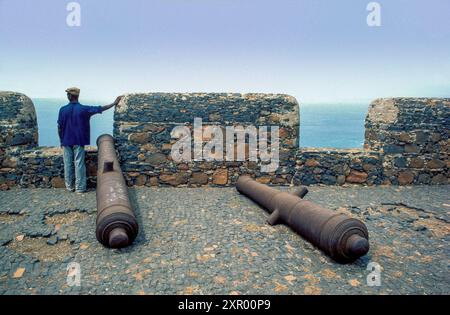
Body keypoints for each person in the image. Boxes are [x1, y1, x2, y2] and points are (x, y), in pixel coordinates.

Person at [57, 87, 123, 193]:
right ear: (77, 96)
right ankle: (80, 188)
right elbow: (100, 108)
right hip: (79, 140)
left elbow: (59, 127)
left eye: (68, 94)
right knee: (79, 164)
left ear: (69, 96)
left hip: (66, 140)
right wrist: (114, 103)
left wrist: (61, 140)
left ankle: (69, 187)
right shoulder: (84, 109)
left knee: (68, 164)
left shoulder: (62, 109)